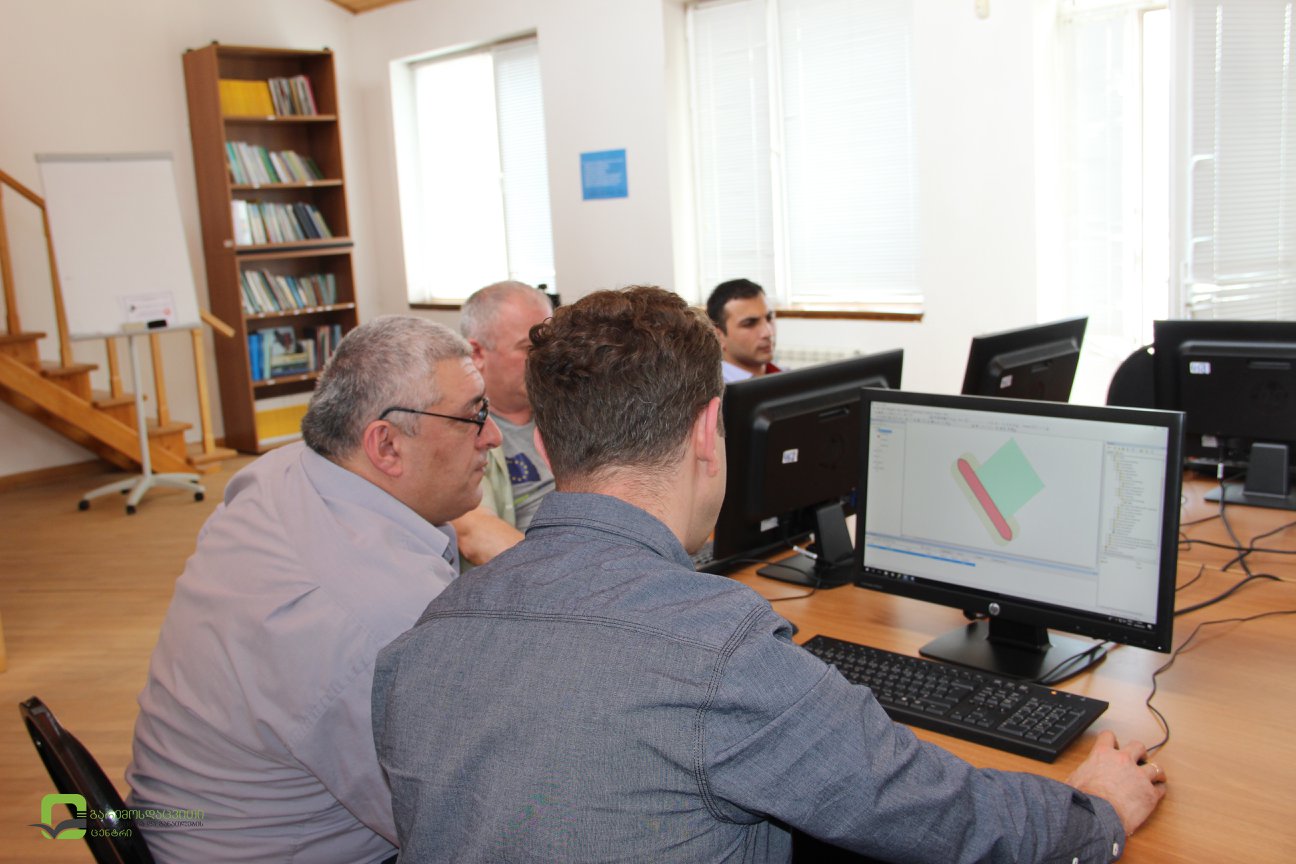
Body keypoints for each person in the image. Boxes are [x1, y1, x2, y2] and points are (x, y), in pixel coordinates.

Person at [372, 286, 1165, 863]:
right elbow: (945, 816)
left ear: (547, 443)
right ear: (707, 431)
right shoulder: (719, 652)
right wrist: (1095, 812)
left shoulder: (420, 641)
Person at [126, 316, 501, 863]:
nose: (492, 436)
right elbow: (459, 826)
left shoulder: (282, 472)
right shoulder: (380, 623)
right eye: (473, 416)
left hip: (184, 822)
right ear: (386, 445)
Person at [451, 281, 556, 565]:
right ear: (477, 353)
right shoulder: (455, 431)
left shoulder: (568, 408)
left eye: (550, 344)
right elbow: (475, 533)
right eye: (528, 347)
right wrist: (566, 577)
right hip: (539, 575)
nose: (547, 359)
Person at [706, 277, 781, 382]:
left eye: (769, 318)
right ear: (719, 336)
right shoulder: (709, 391)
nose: (768, 333)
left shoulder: (790, 378)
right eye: (750, 323)